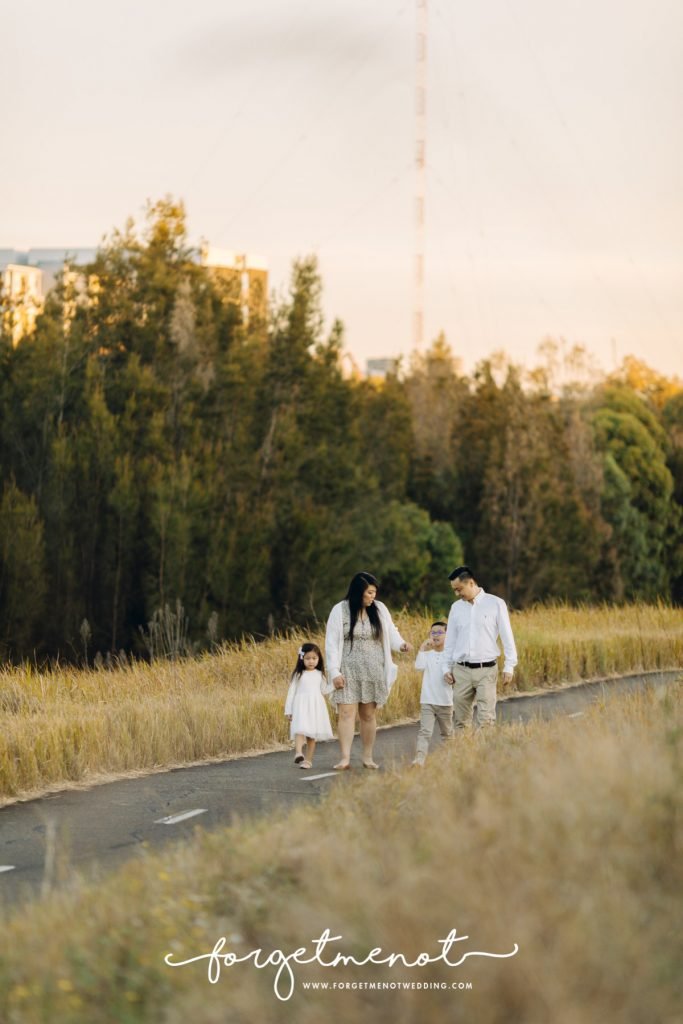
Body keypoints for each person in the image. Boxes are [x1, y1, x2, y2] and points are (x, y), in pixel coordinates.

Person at [325, 571, 411, 770]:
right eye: (370, 592)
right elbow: (331, 643)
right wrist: (334, 671)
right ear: (358, 592)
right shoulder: (340, 610)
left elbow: (391, 632)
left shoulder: (379, 609)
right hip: (347, 670)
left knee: (368, 715)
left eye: (374, 592)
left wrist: (401, 645)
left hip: (373, 670)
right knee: (346, 713)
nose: (373, 596)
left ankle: (367, 757)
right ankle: (345, 758)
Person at [442, 565, 517, 730]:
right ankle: (466, 748)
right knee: (460, 721)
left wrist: (509, 666)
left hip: (486, 670)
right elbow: (450, 642)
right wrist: (446, 667)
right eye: (454, 590)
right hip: (461, 671)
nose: (457, 594)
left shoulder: (496, 603)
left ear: (471, 583)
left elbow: (507, 636)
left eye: (459, 589)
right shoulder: (456, 608)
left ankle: (485, 747)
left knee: (486, 721)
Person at [284, 642, 333, 769]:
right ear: (302, 659)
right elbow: (291, 692)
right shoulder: (298, 675)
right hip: (300, 706)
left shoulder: (320, 674)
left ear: (319, 659)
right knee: (299, 729)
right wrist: (288, 710)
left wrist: (334, 685)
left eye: (314, 658)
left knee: (311, 736)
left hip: (315, 707)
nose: (311, 661)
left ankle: (308, 761)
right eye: (308, 658)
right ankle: (298, 753)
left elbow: (324, 690)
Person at [412, 620, 453, 766]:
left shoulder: (450, 656)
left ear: (447, 635)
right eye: (433, 632)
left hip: (445, 702)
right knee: (425, 732)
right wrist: (422, 648)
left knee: (447, 734)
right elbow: (418, 666)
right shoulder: (428, 654)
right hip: (427, 701)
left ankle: (450, 760)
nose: (435, 635)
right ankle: (419, 760)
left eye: (440, 632)